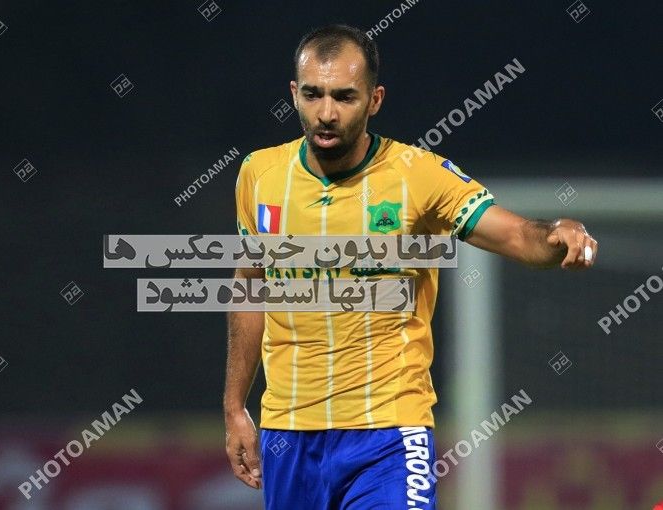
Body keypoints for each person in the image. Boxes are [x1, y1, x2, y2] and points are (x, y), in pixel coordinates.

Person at [223, 23, 597, 510]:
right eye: (313, 95)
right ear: (294, 93)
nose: (327, 113)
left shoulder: (418, 176)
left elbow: (516, 236)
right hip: (288, 434)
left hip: (388, 434)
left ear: (375, 100)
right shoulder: (259, 175)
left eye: (345, 97)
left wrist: (556, 234)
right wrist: (234, 407)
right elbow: (250, 289)